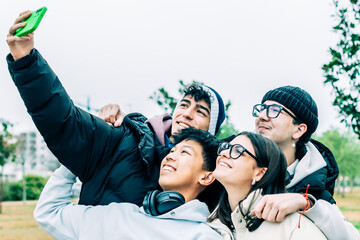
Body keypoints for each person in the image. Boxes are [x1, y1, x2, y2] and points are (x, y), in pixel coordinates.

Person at [6, 11, 225, 208]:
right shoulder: (124, 136)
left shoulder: (218, 178)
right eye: (184, 105)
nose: (186, 113)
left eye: (201, 111)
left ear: (212, 130)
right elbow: (65, 122)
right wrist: (27, 62)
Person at [34, 128, 223, 240]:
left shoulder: (204, 236)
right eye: (172, 151)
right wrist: (77, 157)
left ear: (206, 177)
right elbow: (49, 211)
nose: (171, 156)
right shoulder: (117, 215)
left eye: (184, 153)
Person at [252, 85, 360, 239]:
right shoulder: (233, 160)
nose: (262, 116)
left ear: (299, 130)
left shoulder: (314, 187)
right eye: (262, 108)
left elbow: (350, 237)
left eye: (274, 110)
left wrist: (306, 203)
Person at [207, 131, 326, 239]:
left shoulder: (295, 227)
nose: (223, 153)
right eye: (225, 147)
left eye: (237, 151)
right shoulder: (212, 224)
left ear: (259, 173)